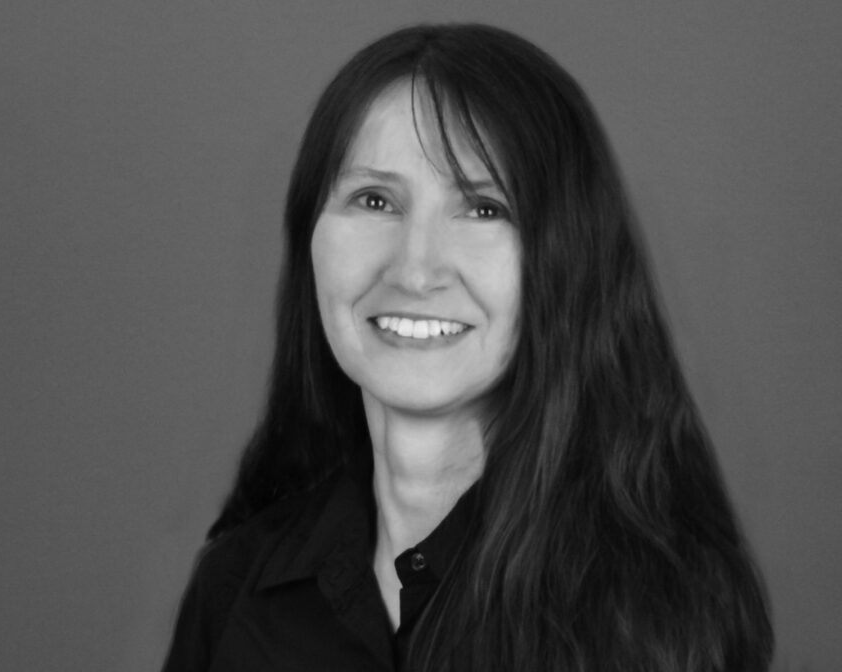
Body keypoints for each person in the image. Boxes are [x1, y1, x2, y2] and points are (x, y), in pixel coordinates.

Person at [163, 23, 773, 672]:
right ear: (309, 237)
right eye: (374, 200)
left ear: (567, 256)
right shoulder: (234, 590)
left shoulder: (653, 622)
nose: (416, 270)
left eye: (483, 208)